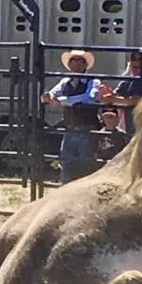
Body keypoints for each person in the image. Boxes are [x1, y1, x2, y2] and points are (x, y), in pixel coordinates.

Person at [42, 49, 102, 184]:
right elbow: (52, 94)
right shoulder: (65, 82)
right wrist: (48, 96)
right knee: (67, 163)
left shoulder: (93, 81)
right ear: (69, 64)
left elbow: (90, 98)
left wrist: (63, 100)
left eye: (81, 61)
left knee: (85, 165)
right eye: (74, 60)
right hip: (70, 128)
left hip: (87, 128)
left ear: (86, 65)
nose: (77, 64)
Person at [100, 51, 142, 134]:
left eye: (140, 59)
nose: (137, 61)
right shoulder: (126, 81)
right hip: (130, 129)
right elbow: (112, 99)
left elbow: (139, 100)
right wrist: (106, 93)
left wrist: (116, 99)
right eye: (134, 59)